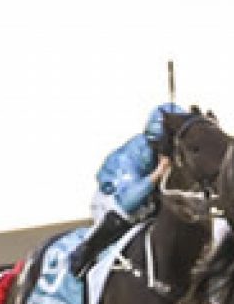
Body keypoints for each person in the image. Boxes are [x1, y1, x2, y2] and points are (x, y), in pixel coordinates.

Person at [69, 103, 179, 277]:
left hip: (149, 201)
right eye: (163, 147)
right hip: (115, 201)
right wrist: (158, 173)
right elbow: (126, 202)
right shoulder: (131, 156)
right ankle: (85, 253)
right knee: (121, 216)